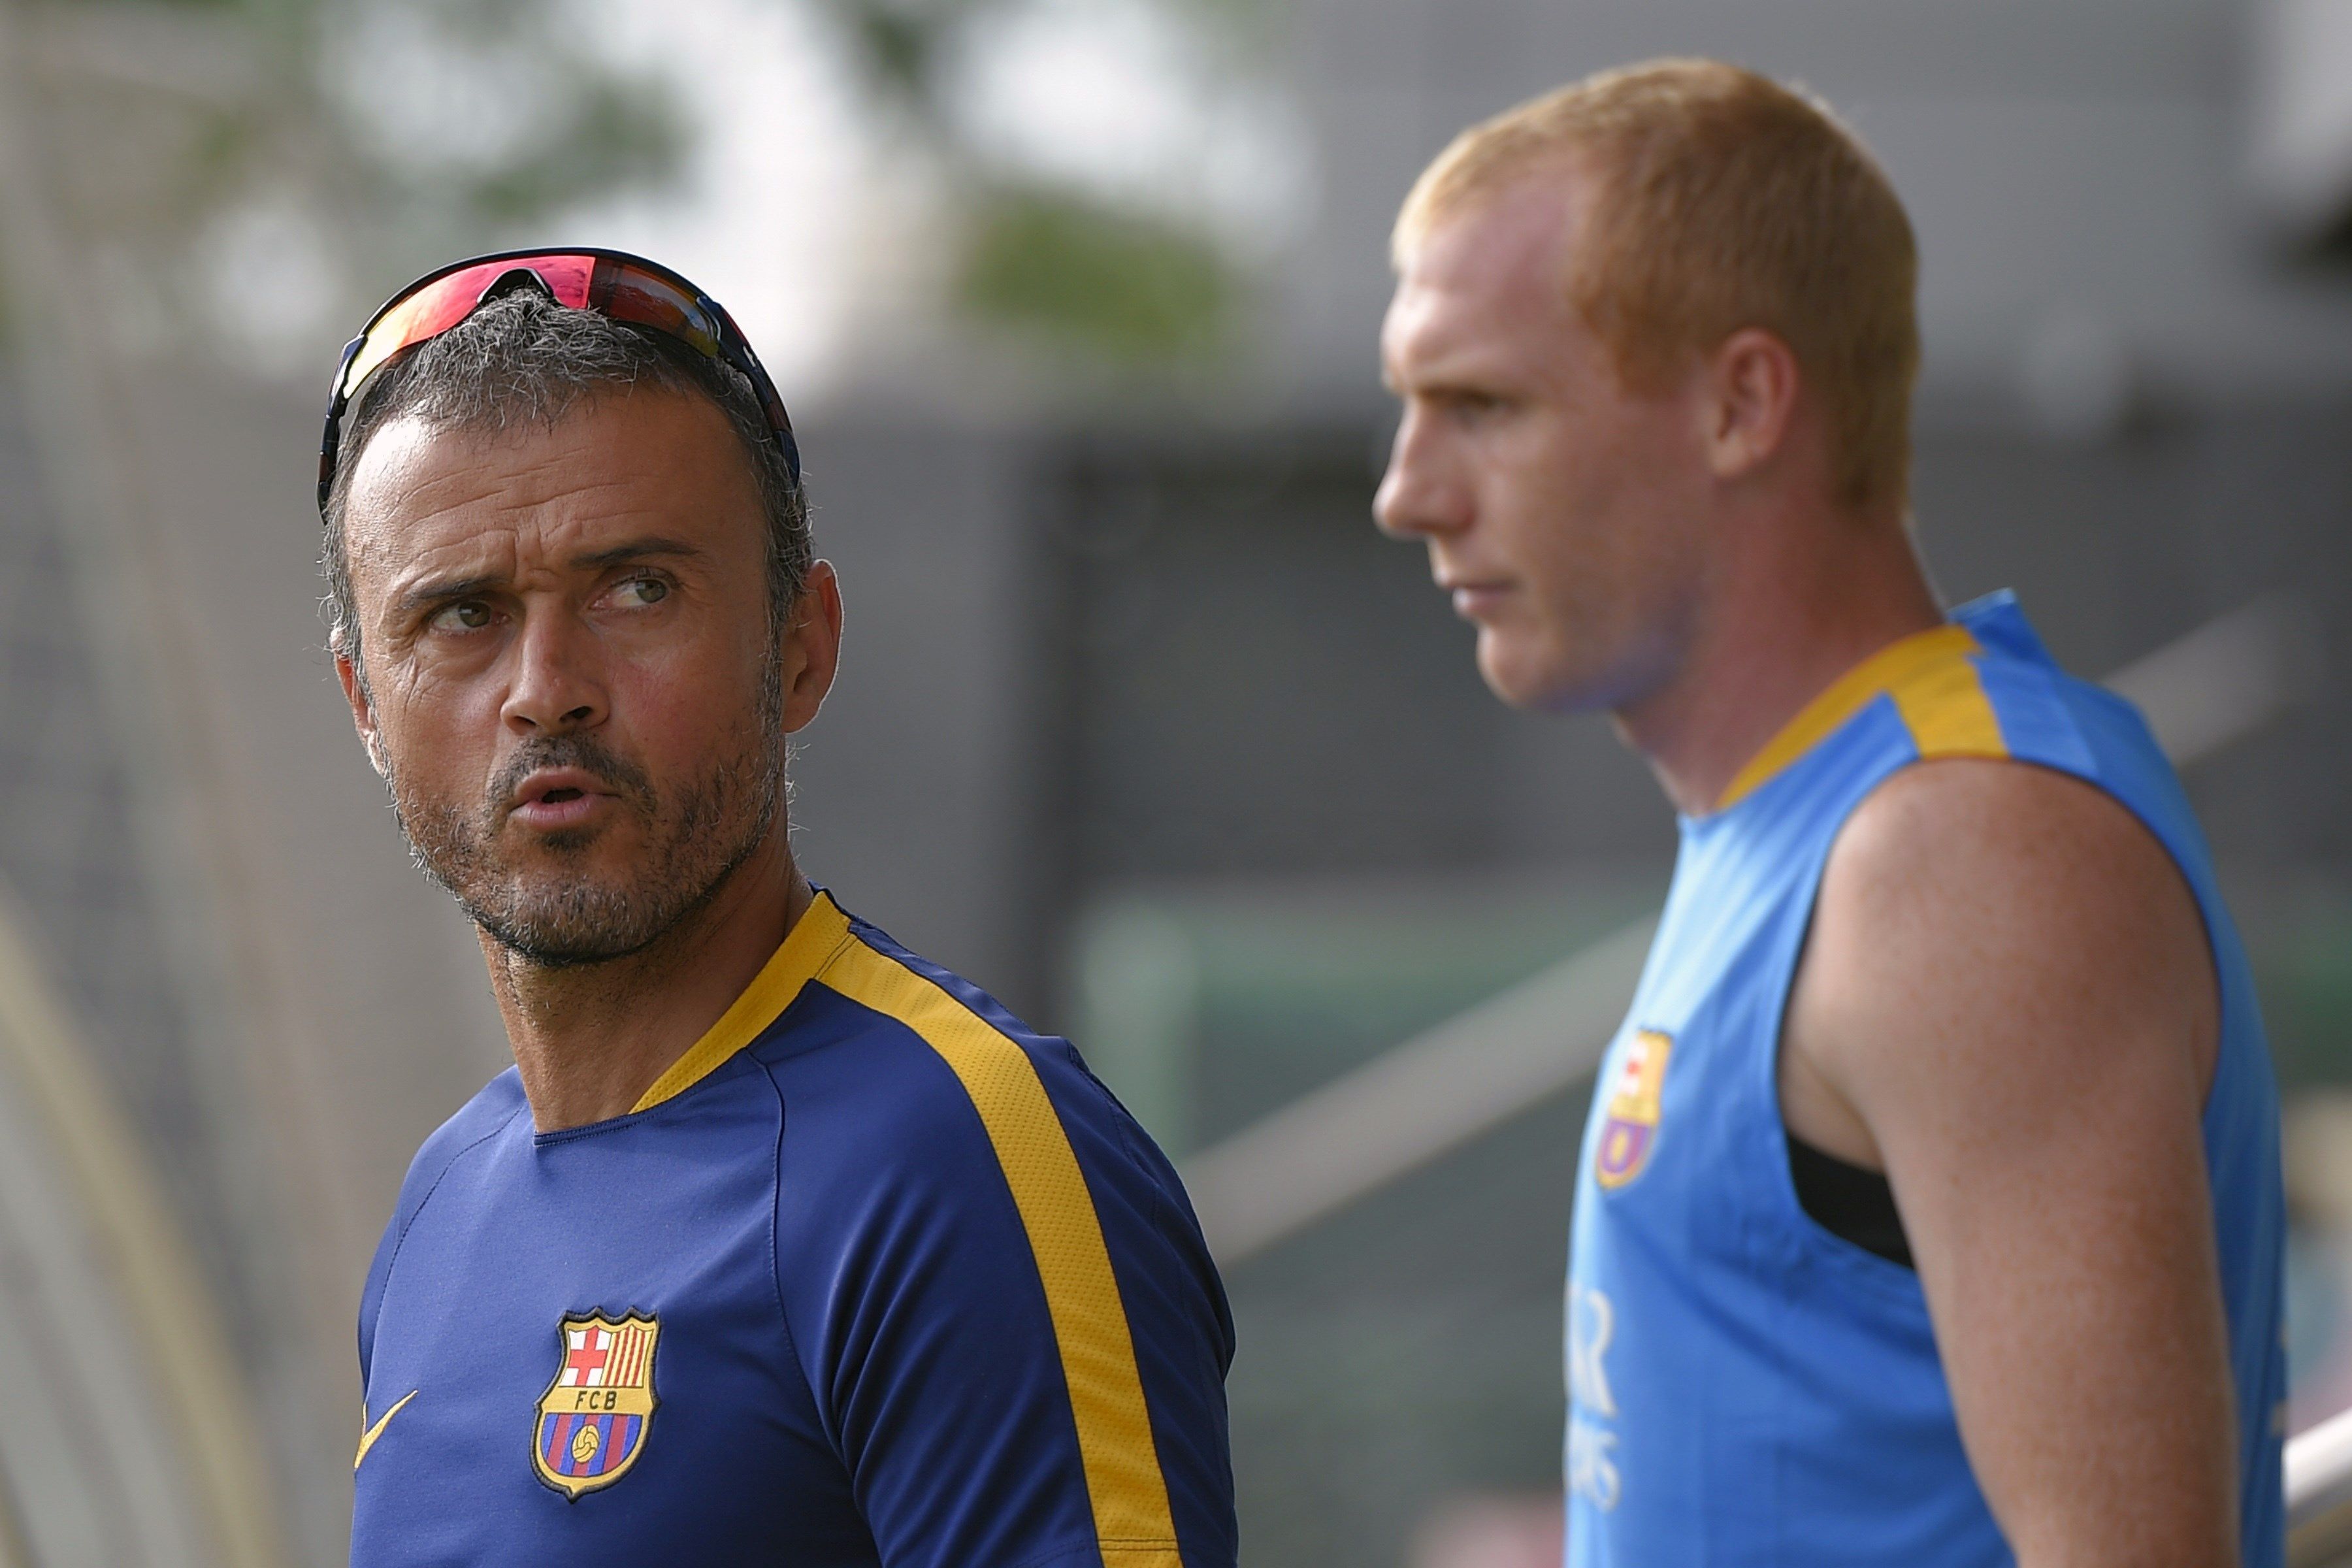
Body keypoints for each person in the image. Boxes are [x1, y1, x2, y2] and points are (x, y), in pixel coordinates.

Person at [1374, 61, 2284, 1567]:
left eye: (1482, 405)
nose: (1410, 493)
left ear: (1742, 404)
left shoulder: (1957, 852)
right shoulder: (1827, 816)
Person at [321, 250, 1235, 1566]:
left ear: (802, 642)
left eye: (637, 589)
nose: (547, 688)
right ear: (365, 706)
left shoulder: (960, 1163)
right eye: (461, 615)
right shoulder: (444, 1203)